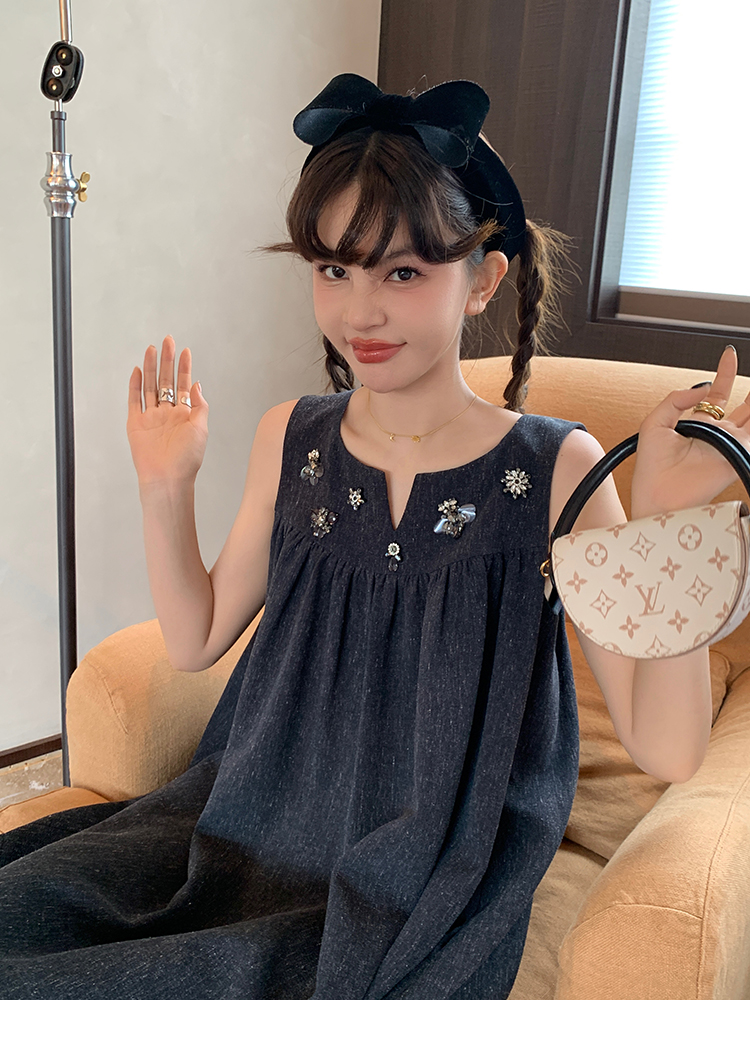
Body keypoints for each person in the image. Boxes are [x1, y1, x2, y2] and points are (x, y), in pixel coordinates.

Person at [0, 73, 747, 1000]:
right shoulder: (291, 436)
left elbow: (668, 749)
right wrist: (166, 483)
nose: (359, 312)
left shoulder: (556, 465)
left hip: (434, 856)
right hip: (251, 814)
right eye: (333, 270)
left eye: (403, 273)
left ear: (482, 279)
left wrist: (674, 525)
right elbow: (195, 640)